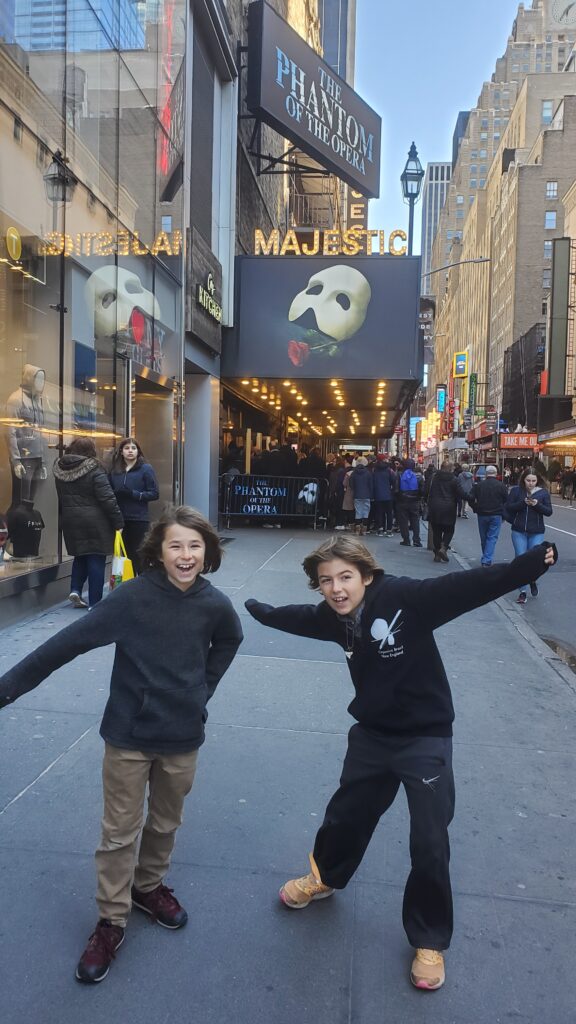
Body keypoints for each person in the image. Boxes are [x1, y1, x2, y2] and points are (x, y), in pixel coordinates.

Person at [244, 535, 557, 992]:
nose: (336, 589)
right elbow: (298, 617)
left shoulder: (406, 599)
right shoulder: (334, 617)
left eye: (345, 577)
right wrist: (260, 611)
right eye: (326, 581)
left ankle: (429, 938)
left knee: (429, 838)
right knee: (346, 816)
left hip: (424, 738)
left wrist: (527, 566)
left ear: (366, 576)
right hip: (372, 736)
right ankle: (325, 876)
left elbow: (470, 585)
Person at [0, 505, 243, 984]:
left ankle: (148, 886)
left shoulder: (215, 605)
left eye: (195, 546)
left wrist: (202, 691)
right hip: (129, 736)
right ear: (159, 551)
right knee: (118, 833)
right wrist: (7, 688)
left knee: (166, 821)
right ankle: (111, 920)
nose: (186, 555)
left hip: (182, 736)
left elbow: (229, 642)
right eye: (176, 545)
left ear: (208, 552)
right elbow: (63, 645)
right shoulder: (131, 599)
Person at [54, 437, 124, 609]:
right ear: (90, 450)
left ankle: (75, 590)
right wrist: (118, 522)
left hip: (71, 520)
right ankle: (95, 602)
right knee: (96, 559)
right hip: (95, 520)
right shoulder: (95, 468)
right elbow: (107, 498)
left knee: (80, 556)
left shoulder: (60, 469)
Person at [109, 437, 159, 575]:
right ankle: (128, 588)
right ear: (121, 451)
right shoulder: (115, 471)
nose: (130, 451)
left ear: (138, 451)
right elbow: (108, 493)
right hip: (120, 519)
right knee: (124, 556)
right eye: (127, 448)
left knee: (139, 555)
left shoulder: (145, 469)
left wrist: (134, 494)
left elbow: (154, 493)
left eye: (133, 448)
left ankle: (143, 586)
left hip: (138, 518)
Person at [505, 468, 553, 604]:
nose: (530, 483)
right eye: (528, 480)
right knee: (521, 559)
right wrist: (522, 503)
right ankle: (523, 591)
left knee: (534, 559)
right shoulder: (516, 491)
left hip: (536, 531)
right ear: (523, 479)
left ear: (537, 480)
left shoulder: (542, 493)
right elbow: (509, 507)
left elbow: (549, 512)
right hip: (519, 530)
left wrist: (537, 505)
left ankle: (532, 579)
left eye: (533, 481)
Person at [468, 464, 508, 567]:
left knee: (484, 537)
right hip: (496, 514)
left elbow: (470, 498)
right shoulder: (501, 486)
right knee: (492, 537)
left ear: (486, 474)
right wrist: (504, 514)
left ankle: (486, 557)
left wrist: (475, 508)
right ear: (496, 474)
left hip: (482, 514)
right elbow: (506, 501)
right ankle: (486, 559)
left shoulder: (479, 485)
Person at [426, 460, 460, 563]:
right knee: (449, 530)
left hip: (434, 507)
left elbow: (425, 491)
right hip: (449, 508)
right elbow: (461, 493)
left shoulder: (433, 477)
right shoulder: (454, 479)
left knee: (436, 531)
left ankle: (437, 554)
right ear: (450, 469)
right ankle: (444, 548)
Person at [395, 458, 423, 547]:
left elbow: (396, 490)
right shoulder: (419, 476)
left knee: (403, 521)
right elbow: (422, 491)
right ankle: (416, 540)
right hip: (414, 502)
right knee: (415, 521)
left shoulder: (399, 475)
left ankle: (406, 540)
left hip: (402, 502)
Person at [349, 456, 373, 535]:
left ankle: (357, 529)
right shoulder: (368, 473)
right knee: (366, 512)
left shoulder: (353, 473)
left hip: (357, 495)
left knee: (358, 512)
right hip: (366, 495)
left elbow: (351, 485)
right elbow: (371, 485)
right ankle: (364, 530)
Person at [372, 456, 396, 536]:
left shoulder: (375, 470)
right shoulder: (389, 470)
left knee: (379, 512)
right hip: (388, 494)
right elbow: (393, 481)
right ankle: (389, 530)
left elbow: (373, 482)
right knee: (389, 513)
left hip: (378, 494)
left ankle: (380, 529)